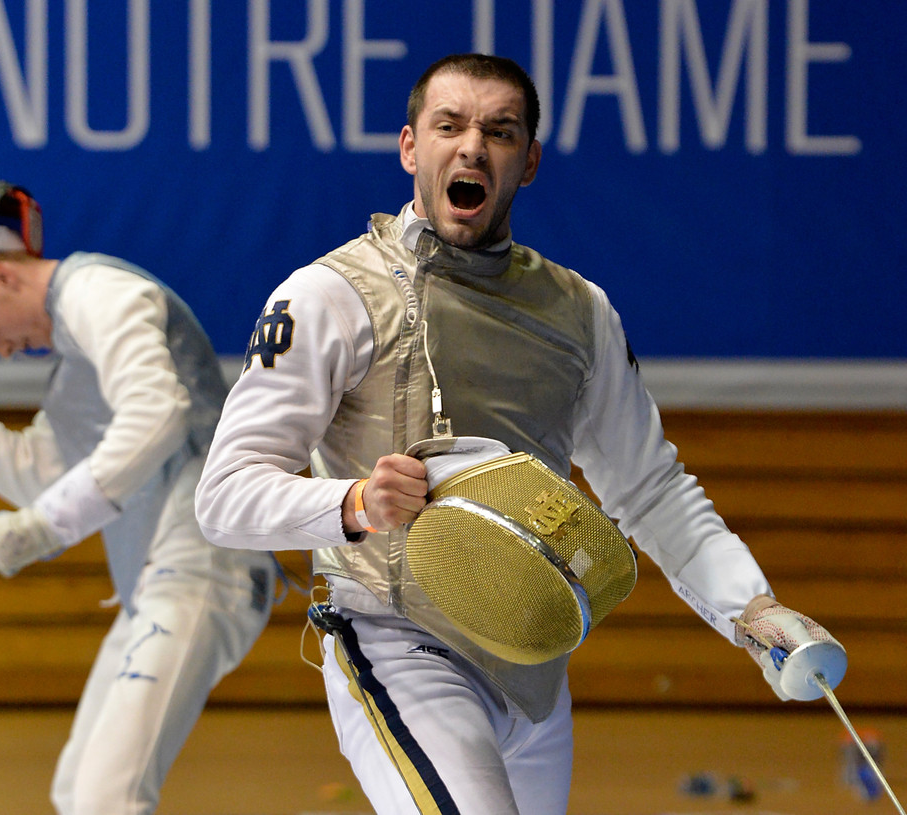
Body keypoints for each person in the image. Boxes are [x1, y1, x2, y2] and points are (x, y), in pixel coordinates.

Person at [192, 53, 844, 815]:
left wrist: (751, 607)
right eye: (449, 125)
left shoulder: (577, 311)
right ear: (410, 147)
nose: (472, 146)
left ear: (527, 161)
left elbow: (650, 486)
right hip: (398, 642)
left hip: (536, 664)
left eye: (499, 131)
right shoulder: (332, 294)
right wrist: (355, 501)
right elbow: (224, 494)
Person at [0, 170, 276, 815]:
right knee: (77, 792)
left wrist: (41, 528)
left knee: (106, 798)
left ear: (3, 278)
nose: (3, 353)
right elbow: (37, 472)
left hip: (205, 570)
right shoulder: (76, 359)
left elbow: (156, 413)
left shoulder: (100, 292)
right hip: (154, 585)